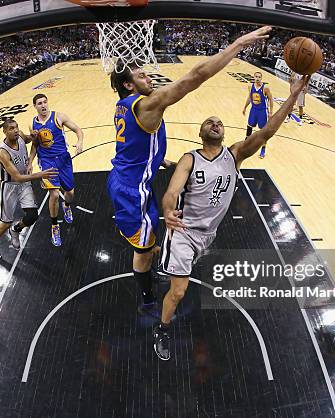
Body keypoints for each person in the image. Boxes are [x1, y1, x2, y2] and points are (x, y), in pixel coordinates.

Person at [108, 26, 272, 317]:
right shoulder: (148, 104)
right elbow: (196, 76)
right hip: (131, 191)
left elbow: (133, 143)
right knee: (143, 250)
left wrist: (159, 159)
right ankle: (146, 298)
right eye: (141, 75)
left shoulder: (124, 106)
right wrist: (239, 42)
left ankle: (148, 258)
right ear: (130, 85)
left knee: (148, 242)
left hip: (129, 177)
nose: (149, 77)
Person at [152, 75, 310, 361]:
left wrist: (293, 96)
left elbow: (267, 132)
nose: (215, 123)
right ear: (200, 133)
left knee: (182, 280)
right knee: (178, 292)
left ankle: (161, 256)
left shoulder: (234, 155)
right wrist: (167, 210)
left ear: (224, 133)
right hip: (184, 233)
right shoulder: (190, 158)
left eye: (219, 122)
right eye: (209, 122)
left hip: (208, 234)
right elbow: (172, 190)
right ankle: (162, 329)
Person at [0, 119, 58, 260]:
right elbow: (17, 177)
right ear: (5, 131)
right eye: (11, 128)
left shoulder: (19, 135)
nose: (15, 130)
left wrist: (33, 135)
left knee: (32, 216)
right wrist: (40, 174)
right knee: (6, 221)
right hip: (10, 186)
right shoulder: (3, 152)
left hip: (24, 183)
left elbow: (27, 139)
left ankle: (16, 230)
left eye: (16, 127)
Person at [29, 93, 84, 247]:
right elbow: (35, 145)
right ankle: (54, 226)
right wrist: (30, 161)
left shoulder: (59, 117)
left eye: (45, 102)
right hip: (46, 162)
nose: (43, 105)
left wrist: (79, 142)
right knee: (53, 194)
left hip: (64, 160)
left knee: (70, 193)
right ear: (35, 106)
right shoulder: (33, 124)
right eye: (39, 103)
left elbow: (78, 129)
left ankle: (66, 206)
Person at [242, 71, 273, 159]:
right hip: (253, 110)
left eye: (259, 77)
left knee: (263, 131)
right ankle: (246, 144)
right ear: (254, 77)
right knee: (249, 127)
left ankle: (263, 149)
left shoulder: (265, 88)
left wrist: (271, 112)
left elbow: (271, 99)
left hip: (262, 111)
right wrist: (245, 107)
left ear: (261, 78)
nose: (257, 78)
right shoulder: (250, 86)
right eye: (256, 76)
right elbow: (249, 97)